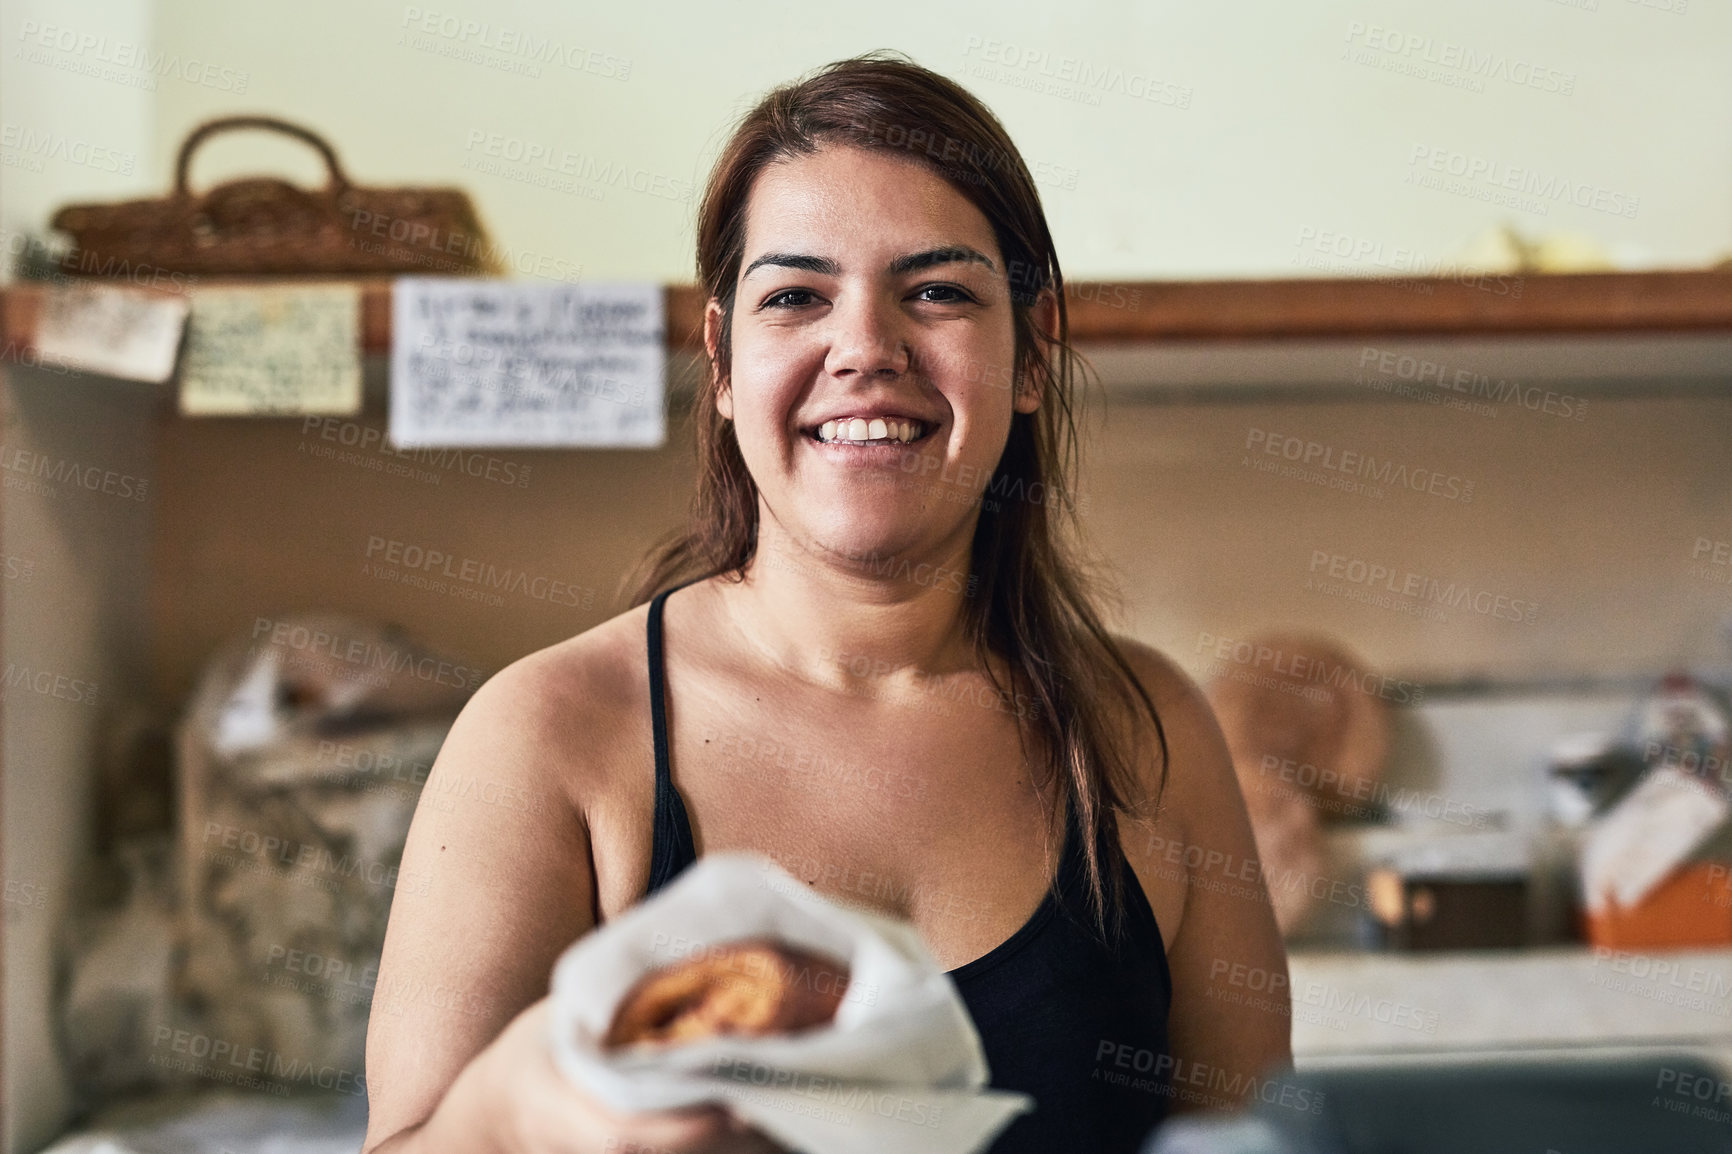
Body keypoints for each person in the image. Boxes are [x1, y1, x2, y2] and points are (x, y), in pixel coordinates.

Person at [362, 51, 1289, 1154]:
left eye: (938, 291)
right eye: (797, 296)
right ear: (721, 357)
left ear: (1033, 354)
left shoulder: (1148, 730)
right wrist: (517, 1100)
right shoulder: (550, 735)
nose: (864, 348)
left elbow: (1251, 1143)